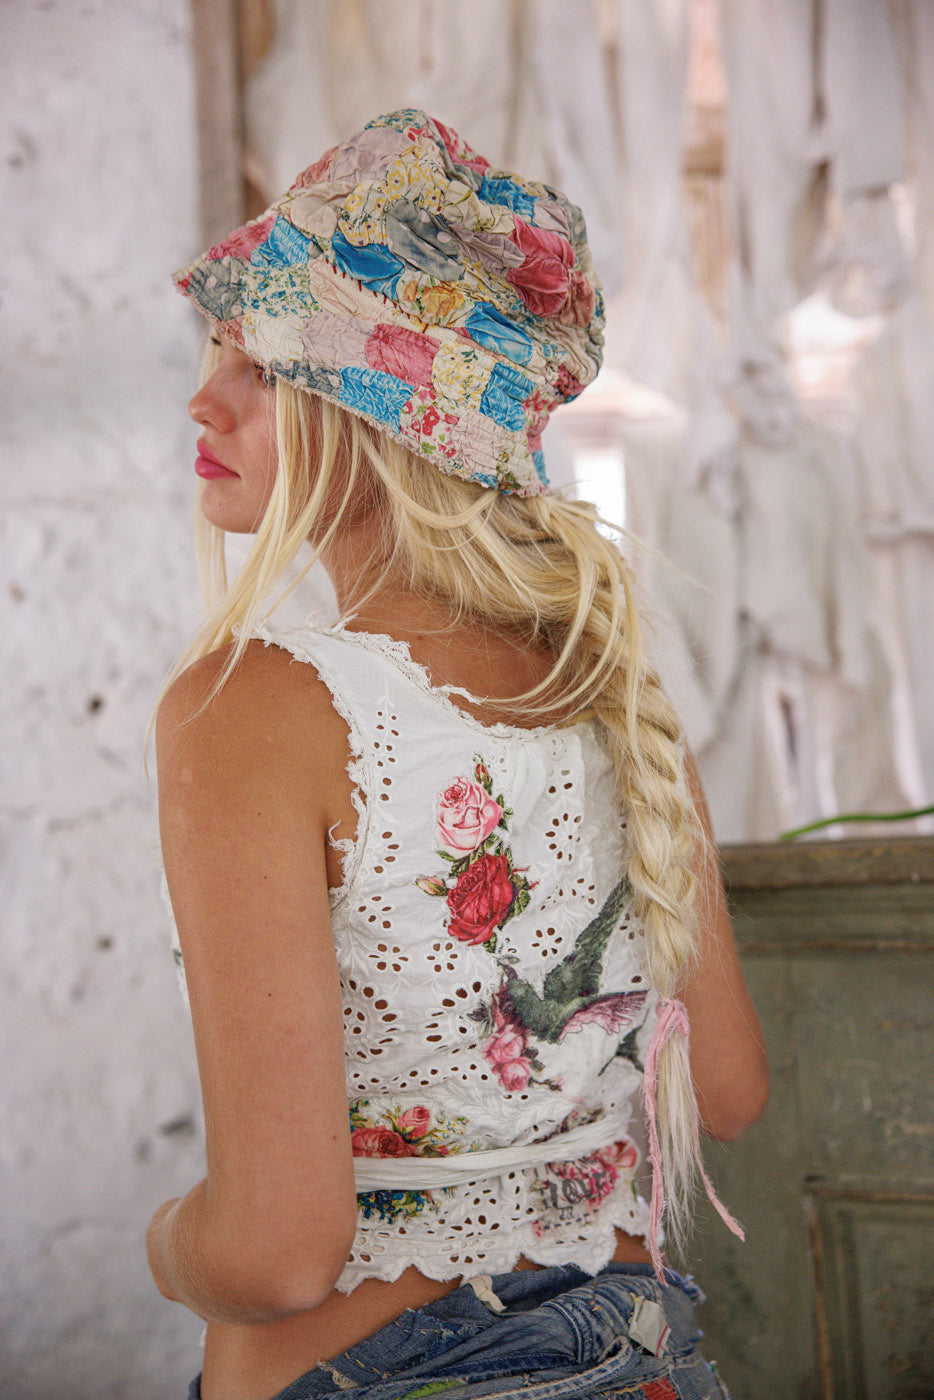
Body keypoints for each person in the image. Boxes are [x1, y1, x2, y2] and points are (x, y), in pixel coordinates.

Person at [148, 110, 768, 1400]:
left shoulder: (253, 708)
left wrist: (164, 1244)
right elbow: (730, 1088)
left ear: (385, 412)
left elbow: (276, 1255)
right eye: (214, 353)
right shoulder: (611, 686)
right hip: (643, 1357)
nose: (204, 401)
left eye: (262, 365)